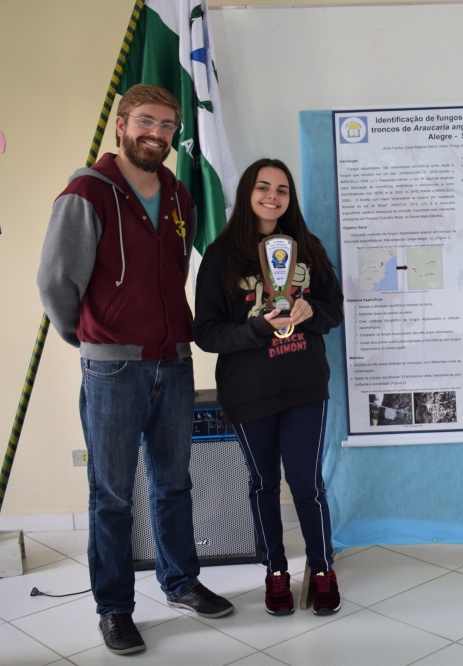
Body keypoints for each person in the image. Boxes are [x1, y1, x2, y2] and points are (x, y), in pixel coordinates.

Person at [37, 83, 234, 656]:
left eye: (168, 125)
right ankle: (115, 609)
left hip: (173, 362)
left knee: (174, 483)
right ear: (121, 124)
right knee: (113, 495)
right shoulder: (87, 193)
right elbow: (56, 282)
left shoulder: (178, 196)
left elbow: (175, 272)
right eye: (146, 121)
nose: (157, 133)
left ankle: (180, 582)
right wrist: (95, 338)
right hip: (112, 371)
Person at [193, 158, 345, 617]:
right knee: (263, 483)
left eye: (281, 189)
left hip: (304, 384)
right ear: (247, 193)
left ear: (289, 198)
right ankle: (275, 571)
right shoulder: (220, 255)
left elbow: (333, 310)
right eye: (263, 187)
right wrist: (258, 327)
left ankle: (323, 569)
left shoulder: (308, 247)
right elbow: (206, 333)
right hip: (249, 390)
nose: (272, 197)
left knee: (306, 483)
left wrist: (310, 313)